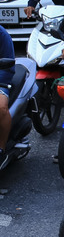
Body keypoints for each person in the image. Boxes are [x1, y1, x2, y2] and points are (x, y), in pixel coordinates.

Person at [0, 27, 15, 168]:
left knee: (1, 108)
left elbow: (8, 67)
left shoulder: (2, 35)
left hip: (1, 78)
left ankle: (1, 149)